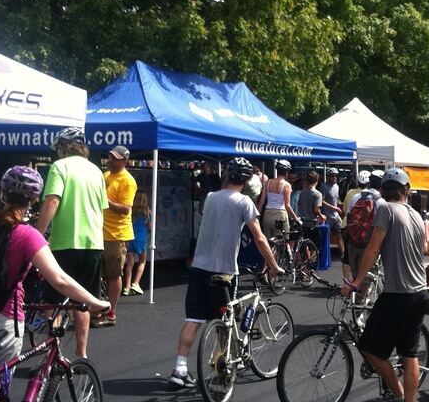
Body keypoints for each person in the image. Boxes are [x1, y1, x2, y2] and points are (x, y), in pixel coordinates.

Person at [0, 166, 110, 402]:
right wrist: (96, 302)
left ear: (2, 194)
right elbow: (59, 280)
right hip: (0, 320)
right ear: (34, 200)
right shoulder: (27, 234)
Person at [169, 158, 284, 387]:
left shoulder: (211, 197)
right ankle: (223, 362)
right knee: (225, 319)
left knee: (193, 319)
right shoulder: (244, 202)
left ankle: (180, 368)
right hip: (224, 271)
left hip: (199, 267)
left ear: (227, 176)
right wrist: (273, 265)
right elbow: (259, 237)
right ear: (245, 179)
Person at [346, 168, 429, 402]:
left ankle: (400, 396)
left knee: (370, 348)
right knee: (409, 354)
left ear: (384, 191)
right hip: (420, 292)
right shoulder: (416, 215)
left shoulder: (385, 210)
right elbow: (424, 250)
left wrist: (356, 282)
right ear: (406, 190)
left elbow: (373, 248)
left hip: (398, 293)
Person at [35, 127, 108, 359]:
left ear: (64, 146)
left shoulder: (60, 167)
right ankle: (81, 355)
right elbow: (101, 209)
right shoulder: (97, 171)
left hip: (65, 242)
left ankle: (53, 355)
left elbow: (52, 201)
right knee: (83, 301)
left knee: (53, 302)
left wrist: (38, 233)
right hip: (93, 243)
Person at [95, 145, 137, 327]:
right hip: (98, 232)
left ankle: (111, 313)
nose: (110, 160)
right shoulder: (105, 176)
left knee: (113, 275)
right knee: (97, 274)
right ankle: (97, 309)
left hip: (116, 235)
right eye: (110, 156)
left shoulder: (128, 181)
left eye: (114, 158)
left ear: (124, 160)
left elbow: (125, 209)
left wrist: (105, 201)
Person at [259, 159, 299, 239]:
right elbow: (287, 205)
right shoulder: (287, 185)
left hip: (267, 214)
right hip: (280, 214)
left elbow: (261, 201)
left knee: (269, 243)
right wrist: (296, 219)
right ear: (287, 172)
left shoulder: (268, 182)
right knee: (282, 242)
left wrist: (257, 215)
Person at [123, 191, 152, 296]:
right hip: (141, 239)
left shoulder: (131, 211)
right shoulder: (148, 213)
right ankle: (136, 283)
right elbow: (150, 228)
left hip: (131, 238)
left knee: (130, 263)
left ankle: (127, 286)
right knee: (142, 261)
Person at [319, 168, 345, 258]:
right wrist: (333, 207)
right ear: (328, 177)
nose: (334, 177)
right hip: (327, 215)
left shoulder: (337, 186)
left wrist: (341, 205)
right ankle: (322, 257)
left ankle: (343, 255)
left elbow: (337, 200)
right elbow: (321, 201)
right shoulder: (324, 187)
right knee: (324, 237)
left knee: (341, 234)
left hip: (336, 215)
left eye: (336, 176)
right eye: (332, 176)